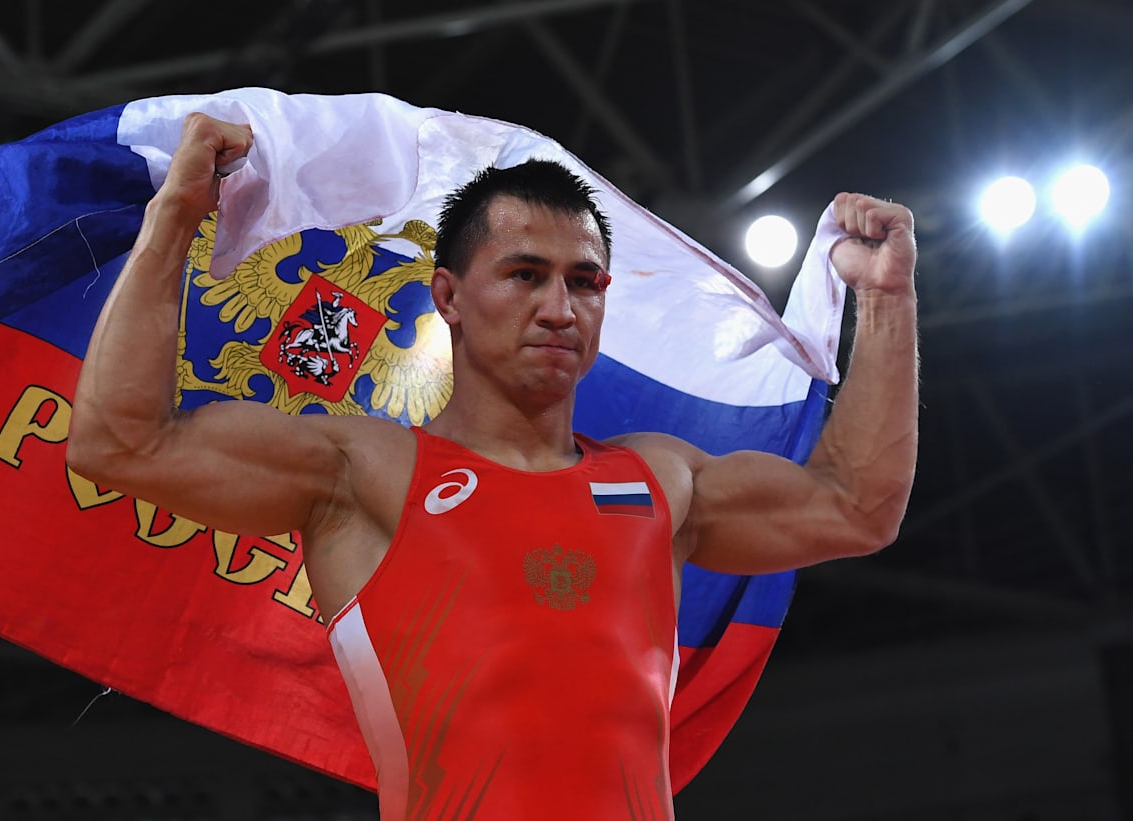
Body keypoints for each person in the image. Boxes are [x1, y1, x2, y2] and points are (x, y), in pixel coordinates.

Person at [67, 112, 918, 819]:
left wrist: (885, 298)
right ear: (448, 297)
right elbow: (121, 441)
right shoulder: (363, 471)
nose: (559, 308)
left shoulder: (662, 481)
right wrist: (175, 218)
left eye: (584, 282)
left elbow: (856, 506)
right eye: (525, 275)